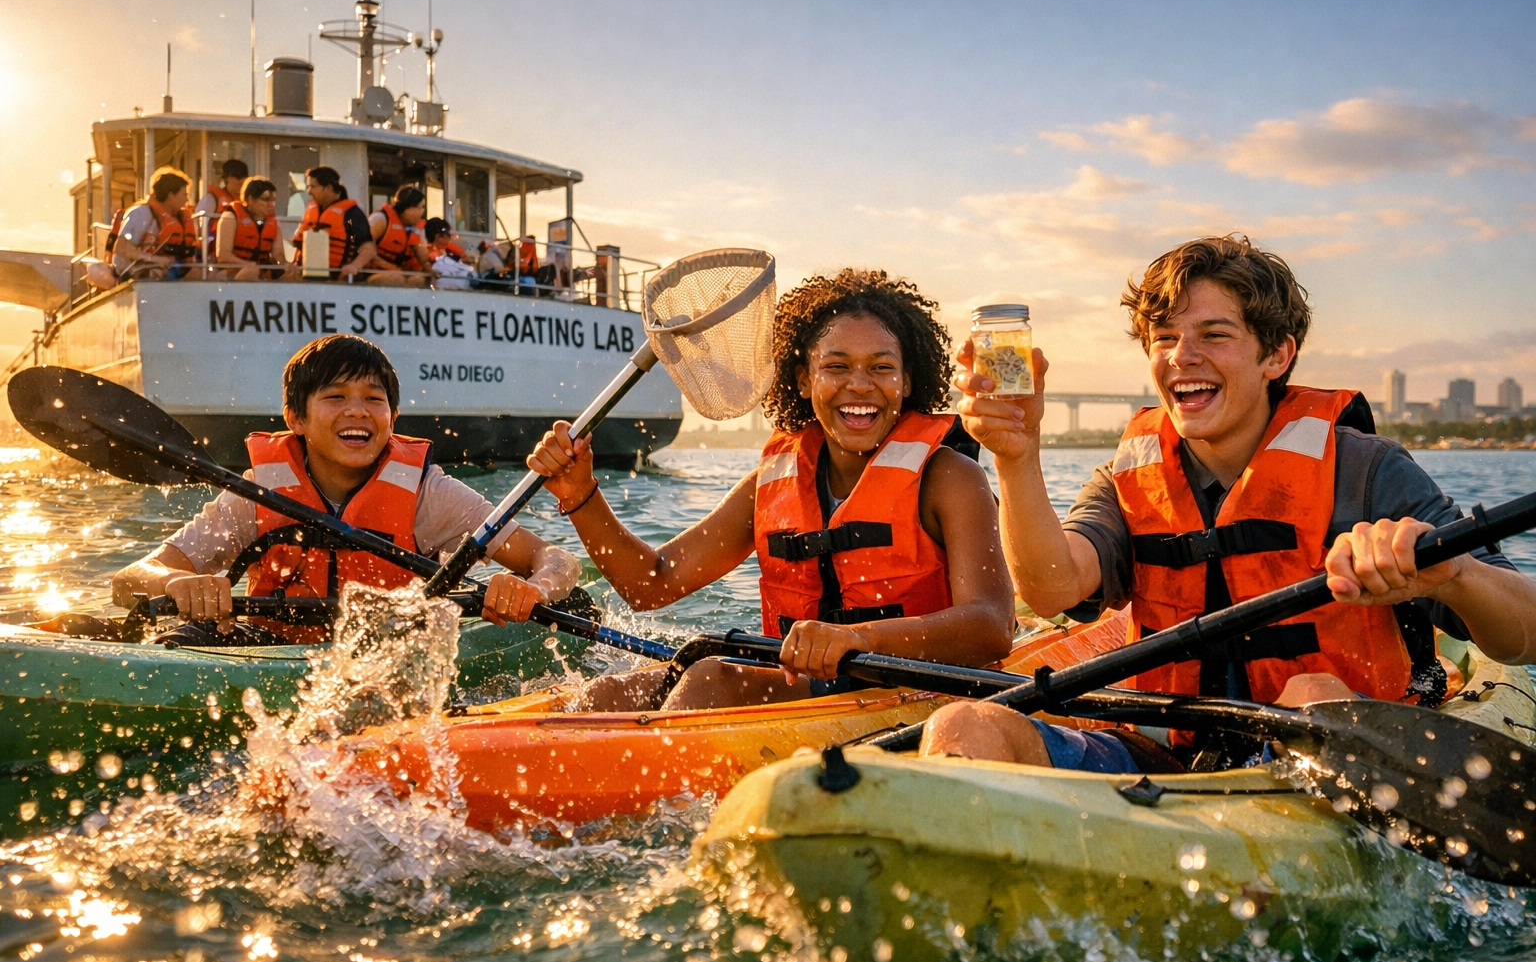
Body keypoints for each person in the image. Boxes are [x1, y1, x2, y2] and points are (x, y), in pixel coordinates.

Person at [922, 235, 1536, 772]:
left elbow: (1525, 636)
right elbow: (1054, 589)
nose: (1182, 356)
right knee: (960, 727)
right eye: (1164, 338)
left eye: (1214, 334)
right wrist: (1017, 455)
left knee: (1309, 694)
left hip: (1333, 745)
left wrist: (1453, 575)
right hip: (1163, 753)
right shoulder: (1127, 474)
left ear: (1278, 356)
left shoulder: (1367, 470)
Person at [527, 268, 1015, 711]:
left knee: (709, 681)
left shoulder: (950, 478)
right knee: (602, 694)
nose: (860, 385)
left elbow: (991, 627)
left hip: (912, 682)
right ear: (804, 380)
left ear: (907, 382)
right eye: (837, 366)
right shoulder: (770, 481)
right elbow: (650, 584)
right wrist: (579, 494)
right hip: (803, 684)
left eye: (881, 368)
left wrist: (857, 638)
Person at [111, 335, 580, 646]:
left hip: (390, 660)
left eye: (374, 400)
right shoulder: (253, 496)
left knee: (577, 604)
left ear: (393, 420)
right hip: (272, 652)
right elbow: (128, 580)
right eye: (335, 397)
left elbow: (559, 560)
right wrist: (175, 582)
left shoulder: (428, 495)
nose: (358, 412)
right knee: (172, 638)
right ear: (296, 419)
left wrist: (532, 588)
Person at [110, 168, 198, 281]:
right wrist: (154, 259)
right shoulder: (140, 213)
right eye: (184, 194)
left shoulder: (182, 217)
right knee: (158, 272)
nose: (186, 199)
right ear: (171, 196)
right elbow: (121, 248)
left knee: (201, 272)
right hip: (134, 272)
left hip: (172, 268)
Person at [288, 166, 375, 281]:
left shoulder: (351, 213)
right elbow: (299, 244)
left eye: (312, 187)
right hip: (305, 275)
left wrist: (354, 266)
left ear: (328, 188)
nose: (309, 192)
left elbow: (369, 248)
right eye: (308, 187)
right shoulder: (311, 209)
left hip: (336, 277)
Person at [214, 177, 282, 281]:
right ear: (250, 199)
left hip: (261, 274)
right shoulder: (231, 217)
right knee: (249, 274)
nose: (271, 204)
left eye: (273, 200)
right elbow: (223, 255)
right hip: (231, 273)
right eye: (266, 199)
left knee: (293, 277)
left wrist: (288, 265)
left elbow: (279, 254)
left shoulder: (273, 222)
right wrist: (248, 265)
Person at [366, 186, 432, 287]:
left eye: (423, 207)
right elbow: (363, 248)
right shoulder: (380, 219)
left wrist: (430, 269)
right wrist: (390, 267)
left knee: (418, 280)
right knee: (395, 279)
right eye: (419, 207)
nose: (421, 211)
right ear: (406, 206)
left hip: (399, 273)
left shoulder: (417, 228)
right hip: (369, 272)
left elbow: (422, 254)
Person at [196, 159, 248, 260]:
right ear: (226, 178)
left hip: (242, 249)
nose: (241, 181)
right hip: (215, 252)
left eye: (244, 177)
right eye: (237, 176)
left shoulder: (248, 202)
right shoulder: (212, 198)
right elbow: (198, 224)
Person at [422, 217, 475, 289]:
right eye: (448, 234)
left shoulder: (422, 251)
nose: (450, 238)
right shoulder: (425, 253)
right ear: (439, 236)